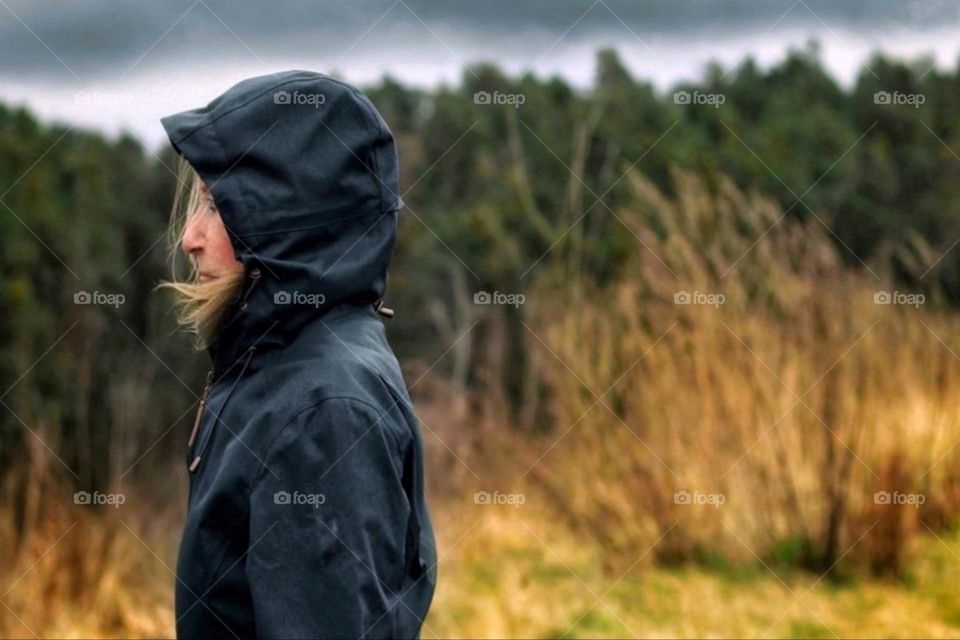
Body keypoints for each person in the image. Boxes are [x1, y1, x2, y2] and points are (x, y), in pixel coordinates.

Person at [158, 70, 437, 639]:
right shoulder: (279, 357)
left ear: (288, 222)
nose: (190, 236)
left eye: (216, 205)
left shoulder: (321, 410)